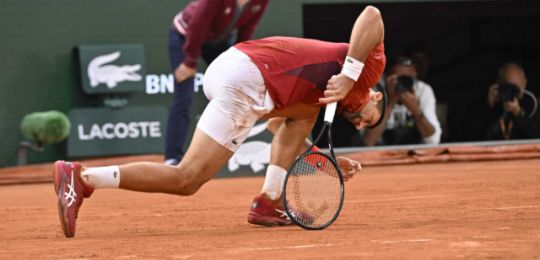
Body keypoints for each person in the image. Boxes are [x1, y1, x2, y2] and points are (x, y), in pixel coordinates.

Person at [53, 6, 386, 237]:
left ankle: (266, 202)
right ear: (376, 97)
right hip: (249, 78)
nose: (360, 125)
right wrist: (349, 74)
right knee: (187, 179)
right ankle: (82, 178)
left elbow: (280, 130)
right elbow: (372, 15)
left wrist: (321, 162)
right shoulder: (366, 72)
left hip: (235, 70)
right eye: (369, 121)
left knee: (301, 117)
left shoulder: (317, 97)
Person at [165, 0, 270, 166]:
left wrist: (240, 61)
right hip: (185, 36)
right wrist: (189, 62)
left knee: (238, 86)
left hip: (217, 42)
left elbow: (247, 30)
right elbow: (198, 25)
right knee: (184, 96)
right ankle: (172, 158)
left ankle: (219, 154)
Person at [363, 56, 441, 146]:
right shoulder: (376, 90)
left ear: (415, 76)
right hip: (379, 153)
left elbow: (433, 140)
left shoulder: (423, 90)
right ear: (386, 77)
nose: (403, 83)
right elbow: (368, 141)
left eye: (407, 79)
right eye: (398, 79)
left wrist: (416, 111)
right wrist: (390, 102)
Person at [485, 62, 540, 140]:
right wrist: (489, 106)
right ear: (498, 83)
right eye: (507, 87)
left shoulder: (532, 104)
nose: (511, 92)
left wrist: (518, 112)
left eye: (515, 87)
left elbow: (537, 135)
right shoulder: (494, 105)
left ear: (524, 83)